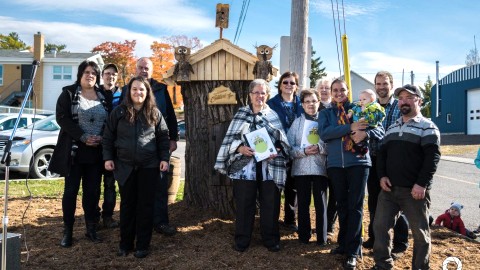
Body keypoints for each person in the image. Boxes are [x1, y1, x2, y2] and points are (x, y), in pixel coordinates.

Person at [214, 79, 290, 252]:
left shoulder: (272, 115)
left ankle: (271, 240)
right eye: (256, 92)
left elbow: (282, 141)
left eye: (263, 93)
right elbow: (230, 140)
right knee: (244, 204)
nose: (259, 96)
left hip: (268, 168)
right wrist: (240, 148)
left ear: (267, 95)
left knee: (270, 205)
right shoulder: (241, 114)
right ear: (250, 95)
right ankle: (242, 240)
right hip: (245, 168)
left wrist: (276, 150)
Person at [372, 84, 441, 270]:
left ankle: (420, 267)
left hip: (414, 191)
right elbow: (382, 155)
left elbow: (432, 159)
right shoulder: (393, 127)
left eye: (409, 97)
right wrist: (382, 176)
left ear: (418, 100)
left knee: (420, 234)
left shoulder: (428, 127)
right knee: (379, 227)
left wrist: (421, 184)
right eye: (401, 98)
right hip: (389, 190)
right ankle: (383, 264)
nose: (404, 101)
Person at [318, 79, 384, 269]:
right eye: (335, 90)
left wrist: (366, 134)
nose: (339, 93)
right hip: (336, 165)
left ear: (348, 91)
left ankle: (353, 251)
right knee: (342, 204)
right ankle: (343, 243)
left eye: (342, 90)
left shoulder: (360, 108)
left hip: (358, 162)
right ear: (331, 92)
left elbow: (378, 127)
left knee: (355, 206)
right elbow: (325, 133)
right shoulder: (326, 113)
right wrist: (349, 128)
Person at [103, 76, 170, 258]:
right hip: (125, 167)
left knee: (145, 207)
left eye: (141, 89)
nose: (138, 92)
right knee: (127, 207)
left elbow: (163, 137)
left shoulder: (155, 113)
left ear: (147, 92)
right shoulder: (118, 113)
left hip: (149, 167)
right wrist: (108, 158)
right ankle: (125, 244)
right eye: (134, 89)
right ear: (129, 91)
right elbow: (108, 137)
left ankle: (142, 245)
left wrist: (164, 158)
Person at [49, 60, 109, 247]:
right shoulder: (68, 93)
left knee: (92, 192)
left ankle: (91, 229)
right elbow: (62, 118)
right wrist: (83, 137)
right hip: (74, 152)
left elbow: (111, 120)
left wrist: (102, 137)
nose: (90, 75)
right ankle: (68, 231)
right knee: (71, 192)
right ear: (80, 74)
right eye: (86, 72)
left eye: (93, 72)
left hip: (96, 153)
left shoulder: (104, 95)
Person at [122, 57, 179, 236]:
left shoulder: (161, 89)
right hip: (134, 147)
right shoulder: (127, 89)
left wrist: (173, 138)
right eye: (140, 67)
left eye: (147, 68)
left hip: (159, 145)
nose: (143, 71)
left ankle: (160, 222)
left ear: (151, 70)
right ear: (136, 69)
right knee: (136, 187)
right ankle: (139, 221)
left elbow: (170, 114)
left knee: (160, 186)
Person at [363, 71, 409, 259]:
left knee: (397, 201)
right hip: (372, 160)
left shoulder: (398, 107)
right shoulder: (368, 107)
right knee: (374, 200)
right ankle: (374, 237)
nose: (382, 87)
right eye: (378, 84)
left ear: (391, 85)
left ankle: (400, 242)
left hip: (392, 160)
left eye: (385, 83)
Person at [287, 89, 328, 245]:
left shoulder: (325, 121)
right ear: (302, 105)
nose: (311, 104)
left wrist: (321, 148)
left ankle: (322, 238)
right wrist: (303, 151)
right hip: (301, 169)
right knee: (303, 204)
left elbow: (333, 144)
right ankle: (303, 237)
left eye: (314, 101)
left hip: (320, 168)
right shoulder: (297, 123)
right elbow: (289, 149)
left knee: (320, 204)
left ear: (319, 102)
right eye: (307, 101)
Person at [267, 71, 304, 231]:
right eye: (285, 82)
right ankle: (270, 219)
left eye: (292, 83)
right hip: (278, 149)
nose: (289, 85)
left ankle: (290, 220)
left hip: (296, 150)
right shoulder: (271, 104)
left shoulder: (301, 105)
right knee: (274, 186)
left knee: (293, 187)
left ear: (296, 86)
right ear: (280, 85)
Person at [98, 63, 121, 229]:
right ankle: (92, 217)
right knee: (92, 184)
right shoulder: (95, 93)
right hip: (94, 146)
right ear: (102, 76)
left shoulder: (122, 95)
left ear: (117, 76)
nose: (110, 76)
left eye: (113, 74)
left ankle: (107, 216)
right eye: (107, 73)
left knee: (109, 183)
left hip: (114, 147)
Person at [316, 79, 338, 239]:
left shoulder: (338, 107)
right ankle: (320, 225)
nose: (324, 90)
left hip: (335, 154)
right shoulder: (313, 106)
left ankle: (329, 225)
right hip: (317, 156)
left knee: (335, 193)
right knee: (320, 192)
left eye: (326, 88)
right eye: (321, 88)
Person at [347, 89, 385, 157]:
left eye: (364, 99)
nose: (361, 101)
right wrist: (350, 113)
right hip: (358, 125)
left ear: (371, 99)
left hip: (368, 125)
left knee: (364, 141)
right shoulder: (358, 106)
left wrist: (366, 118)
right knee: (353, 137)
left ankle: (363, 152)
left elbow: (375, 116)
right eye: (360, 99)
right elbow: (353, 109)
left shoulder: (374, 107)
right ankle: (355, 149)